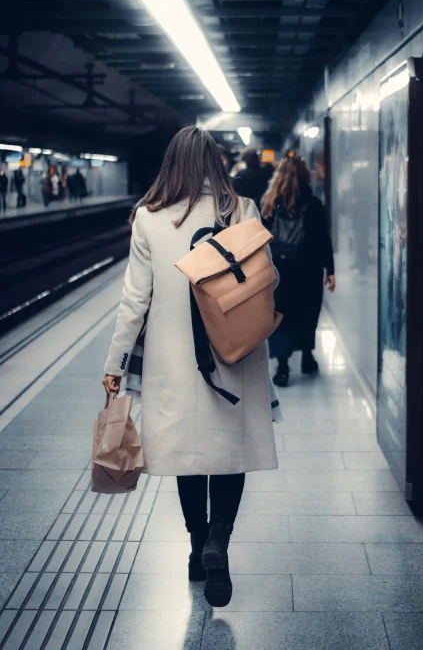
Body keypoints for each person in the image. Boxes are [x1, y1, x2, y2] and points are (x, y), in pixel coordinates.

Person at [102, 126, 279, 608]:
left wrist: (116, 362)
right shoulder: (241, 209)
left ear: (171, 164)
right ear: (216, 164)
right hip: (234, 355)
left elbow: (134, 300)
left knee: (188, 457)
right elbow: (268, 279)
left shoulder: (148, 217)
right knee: (229, 454)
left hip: (174, 361)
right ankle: (219, 539)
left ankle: (197, 545)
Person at [262, 155, 335, 387]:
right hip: (309, 269)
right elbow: (323, 239)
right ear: (305, 175)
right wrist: (330, 270)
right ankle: (306, 359)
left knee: (280, 315)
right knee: (307, 313)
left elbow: (260, 238)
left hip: (279, 270)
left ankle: (282, 367)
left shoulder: (269, 203)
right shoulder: (312, 202)